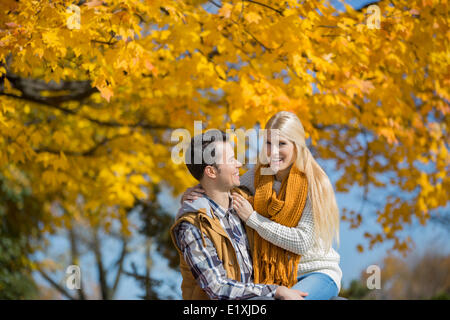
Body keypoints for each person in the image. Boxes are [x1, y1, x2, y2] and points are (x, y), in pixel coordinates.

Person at [182, 111, 342, 300]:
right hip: (275, 277)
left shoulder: (315, 183)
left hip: (316, 272)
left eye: (281, 144)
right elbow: (222, 182)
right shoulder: (257, 176)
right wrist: (194, 191)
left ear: (296, 145)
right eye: (268, 143)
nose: (273, 152)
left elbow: (301, 242)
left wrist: (253, 219)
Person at [171, 130, 308, 300]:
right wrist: (276, 291)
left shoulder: (245, 202)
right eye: (230, 160)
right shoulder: (192, 226)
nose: (238, 164)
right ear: (211, 172)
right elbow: (217, 287)